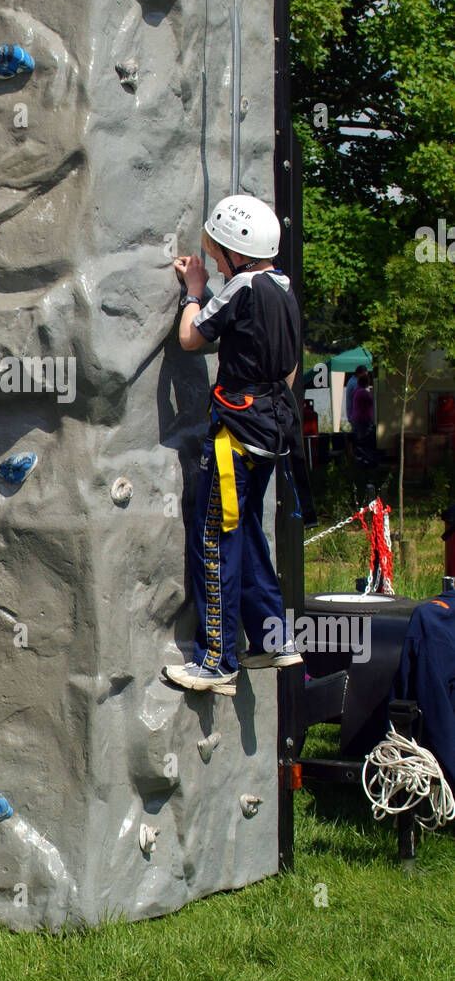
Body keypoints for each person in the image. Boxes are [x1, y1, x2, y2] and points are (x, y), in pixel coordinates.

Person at [164, 195, 314, 696]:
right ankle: (273, 639)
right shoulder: (286, 291)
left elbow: (191, 337)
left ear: (231, 252)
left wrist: (194, 288)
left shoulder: (243, 288)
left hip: (235, 436)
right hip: (273, 431)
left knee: (215, 539)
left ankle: (216, 661)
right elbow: (291, 369)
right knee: (247, 532)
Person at [352, 367, 376, 466]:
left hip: (357, 418)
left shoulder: (357, 390)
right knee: (365, 439)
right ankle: (365, 459)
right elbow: (373, 401)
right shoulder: (364, 393)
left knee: (360, 439)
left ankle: (361, 458)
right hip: (363, 419)